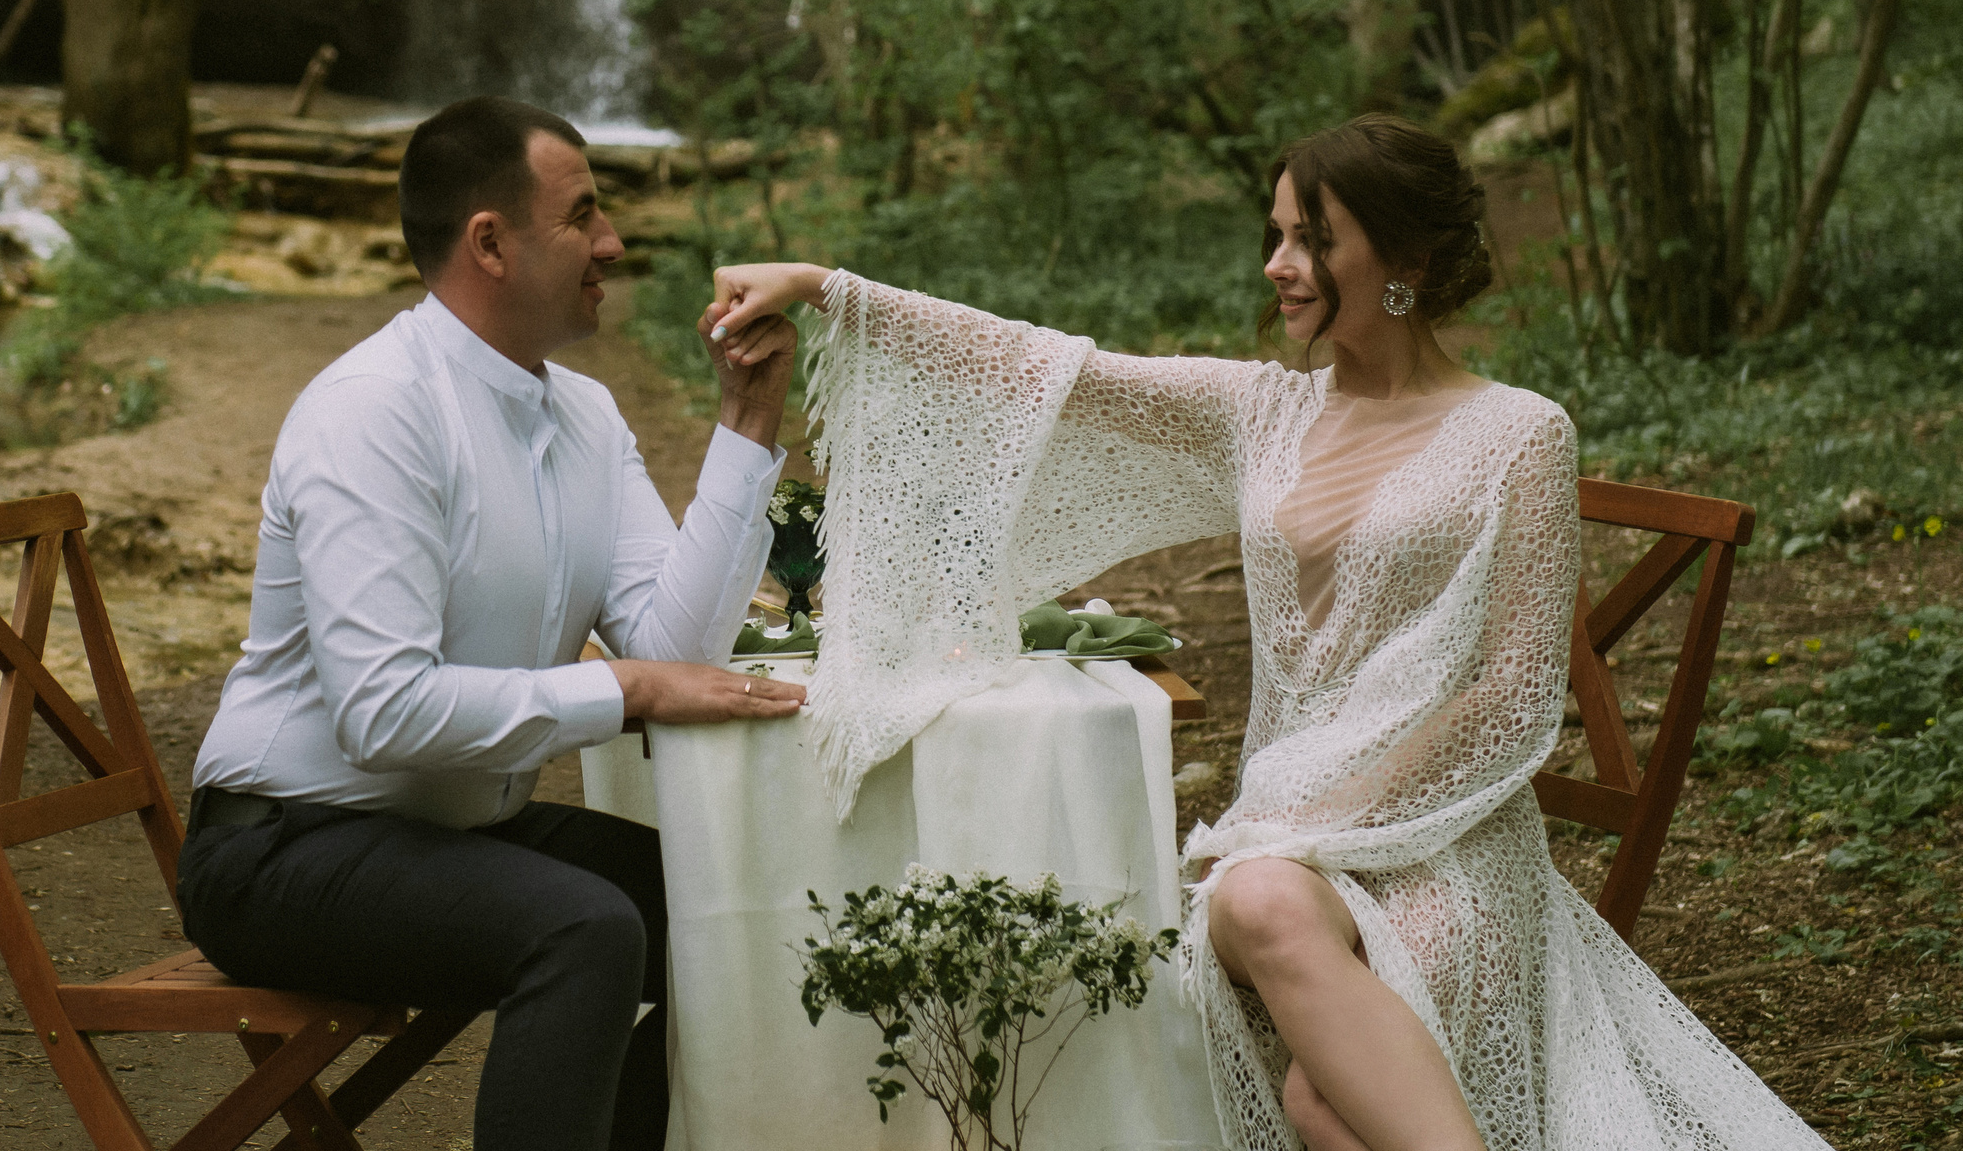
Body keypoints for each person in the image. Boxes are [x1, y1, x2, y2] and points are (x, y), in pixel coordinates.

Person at [702, 114, 1827, 1151]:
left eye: (1309, 240)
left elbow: (1509, 696)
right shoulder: (1262, 411)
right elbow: (1050, 369)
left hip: (1446, 848)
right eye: (1276, 235)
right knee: (1259, 898)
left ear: (1410, 264)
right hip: (1283, 851)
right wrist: (824, 288)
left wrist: (1317, 818)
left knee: (1314, 1100)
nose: (1275, 267)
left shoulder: (1520, 434)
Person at [180, 96, 805, 1151]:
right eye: (583, 216)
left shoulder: (583, 414)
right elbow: (383, 712)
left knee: (730, 915)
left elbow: (671, 646)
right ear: (490, 243)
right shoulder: (372, 409)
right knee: (584, 929)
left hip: (447, 831)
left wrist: (747, 419)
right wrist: (622, 693)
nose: (614, 243)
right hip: (281, 849)